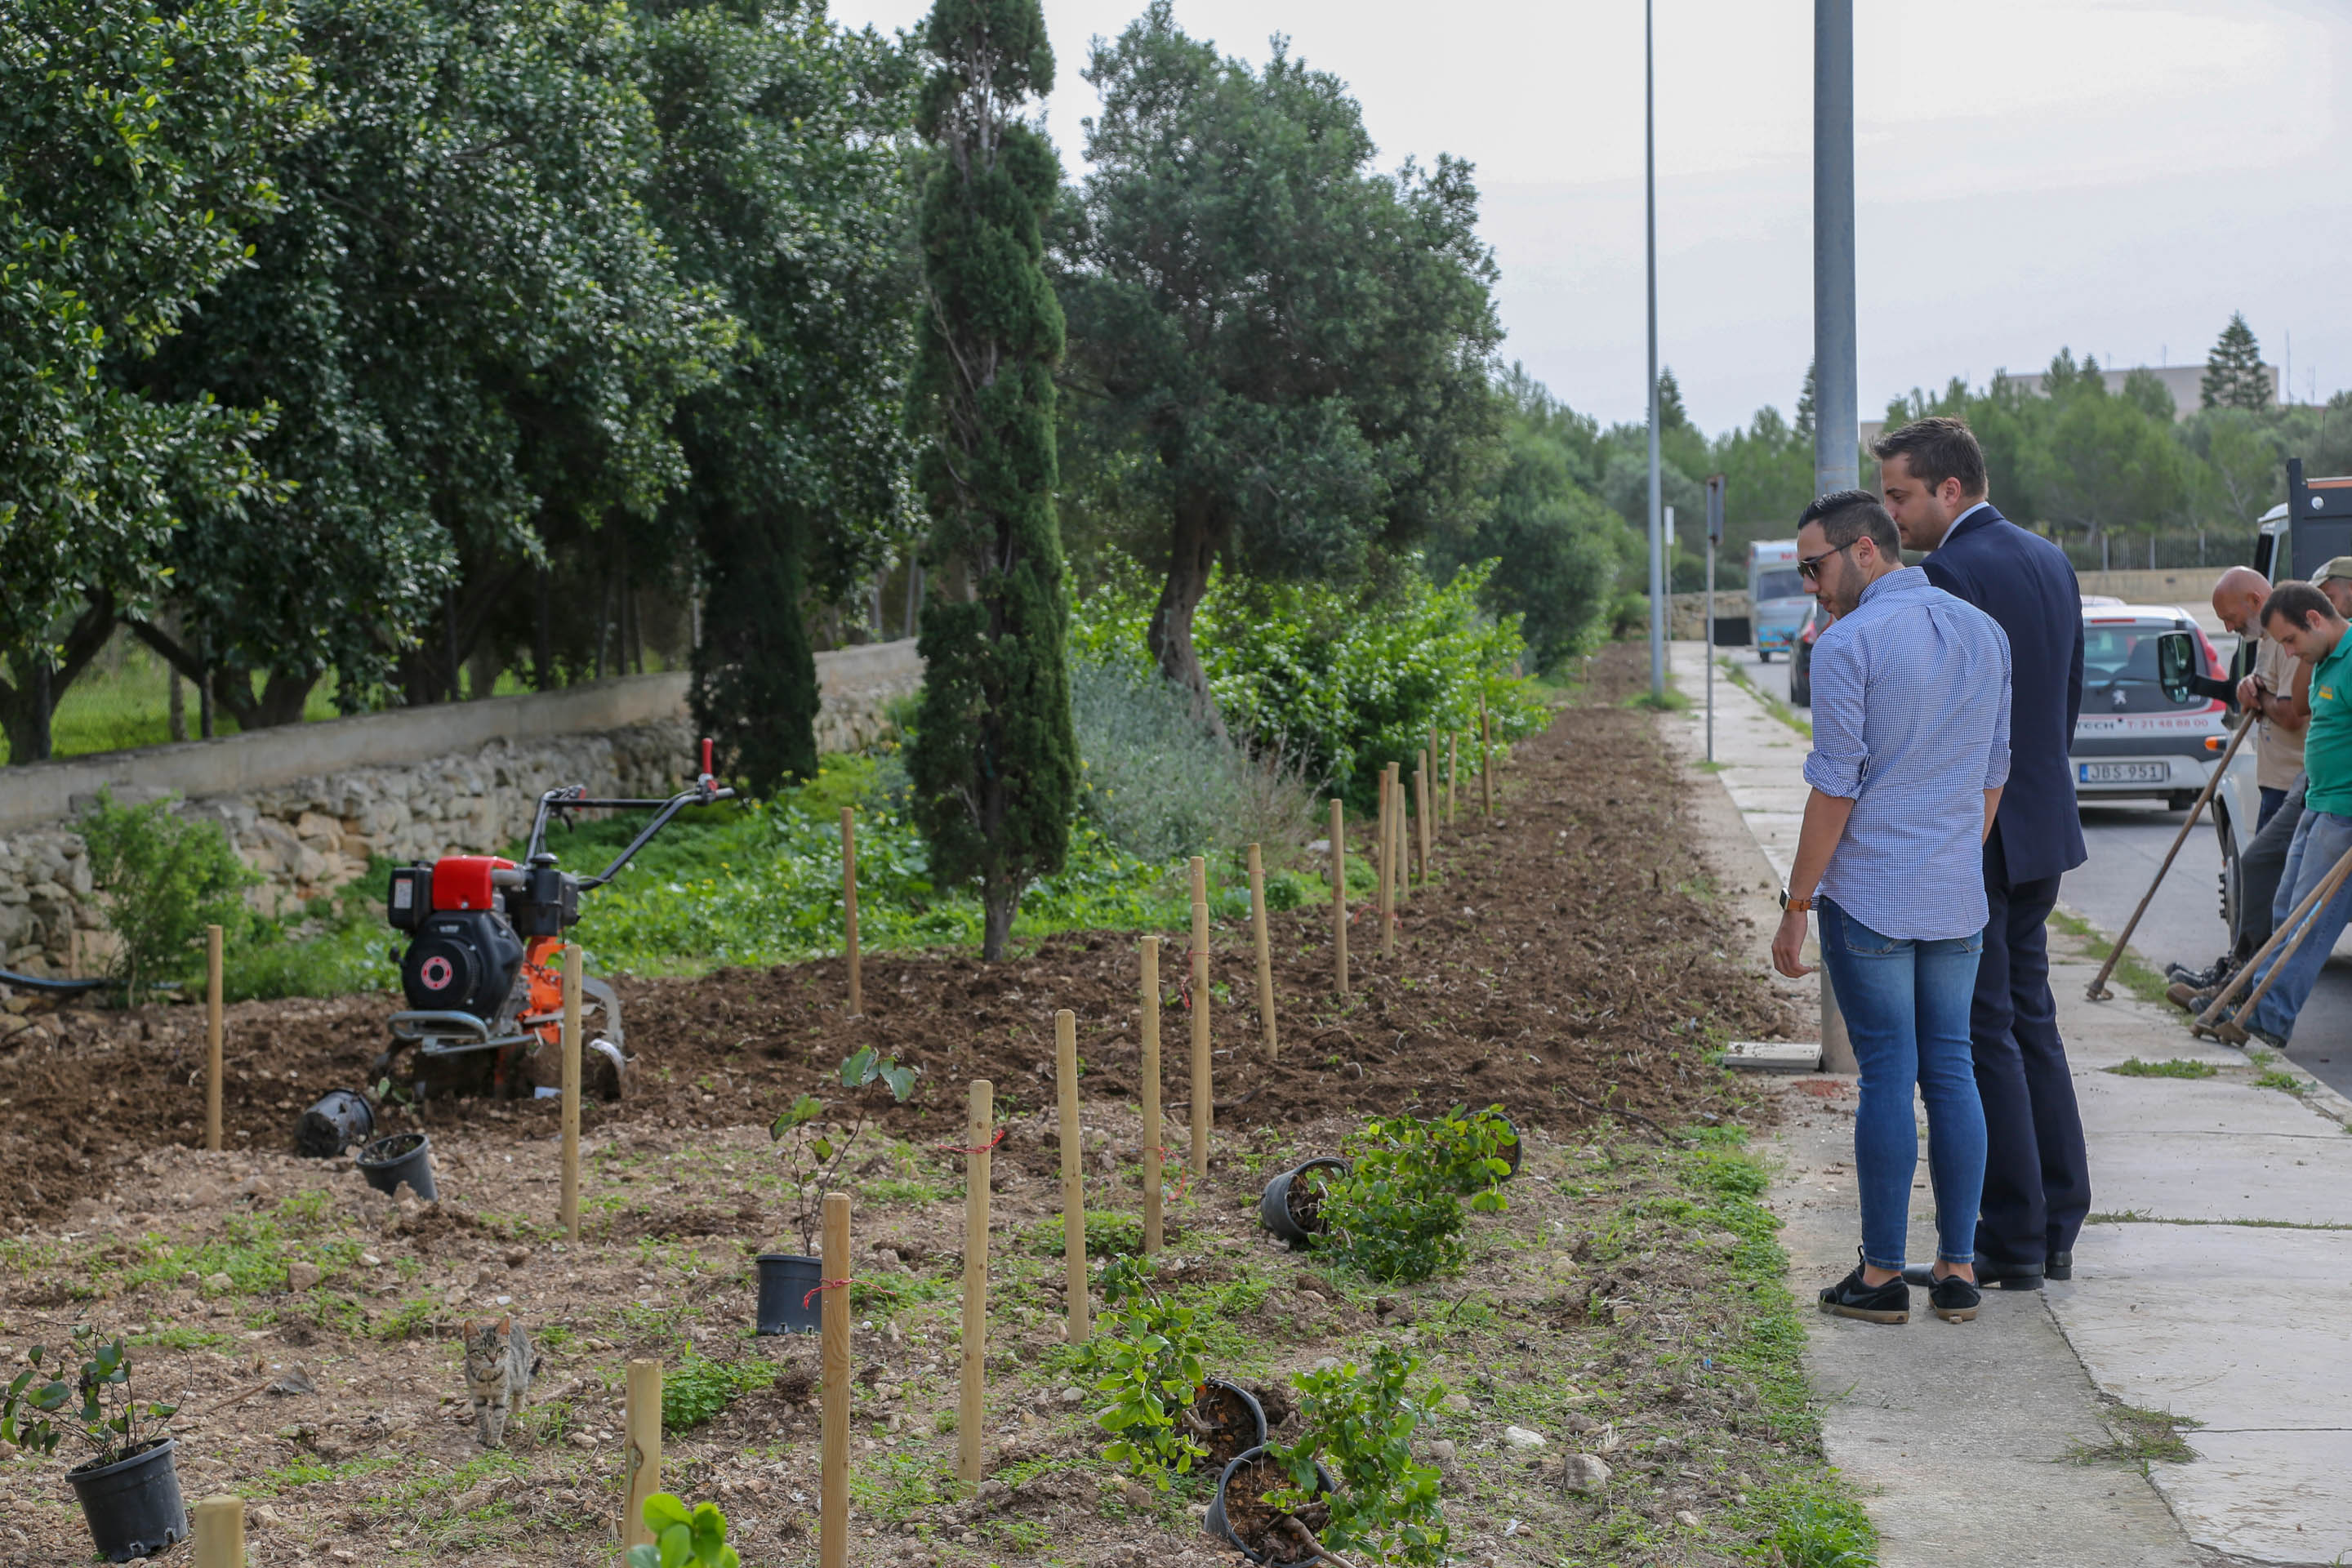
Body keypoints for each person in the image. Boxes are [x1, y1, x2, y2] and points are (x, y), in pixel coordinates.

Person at [1771, 489, 2009, 1326]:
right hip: (1955, 896)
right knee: (1952, 1069)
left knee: (1886, 1076)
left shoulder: (1848, 645)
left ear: (1864, 550)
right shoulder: (1985, 633)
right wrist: (1952, 856)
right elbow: (1993, 773)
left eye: (1815, 565)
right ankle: (1955, 1267)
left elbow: (1835, 788)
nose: (1811, 584)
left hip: (1870, 894)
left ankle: (1878, 1276)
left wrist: (1796, 902)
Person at [1873, 416, 2087, 1291]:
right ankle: (2058, 1221)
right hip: (2043, 824)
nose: (1891, 518)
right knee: (2030, 1021)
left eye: (1900, 497)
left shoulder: (1952, 573)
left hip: (1985, 831)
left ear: (1949, 490)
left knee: (1980, 1032)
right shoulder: (2049, 559)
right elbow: (2063, 700)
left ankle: (2009, 1240)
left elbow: (1951, 719)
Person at [2213, 582, 2352, 1049]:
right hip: (2318, 801)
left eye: (2290, 641)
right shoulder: (2324, 660)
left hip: (2343, 815)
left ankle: (2268, 1018)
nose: (2289, 652)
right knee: (2284, 910)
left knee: (2309, 921)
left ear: (2315, 619)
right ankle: (2253, 1003)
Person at [2165, 566, 2307, 1002]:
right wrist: (2250, 687)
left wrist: (2256, 698)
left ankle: (2246, 984)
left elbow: (2292, 711)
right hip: (2274, 780)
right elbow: (2266, 692)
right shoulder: (2265, 639)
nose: (2227, 627)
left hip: (2293, 782)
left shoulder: (2292, 639)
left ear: (2255, 601)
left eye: (2230, 617)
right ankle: (2239, 974)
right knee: (2261, 881)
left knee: (2267, 882)